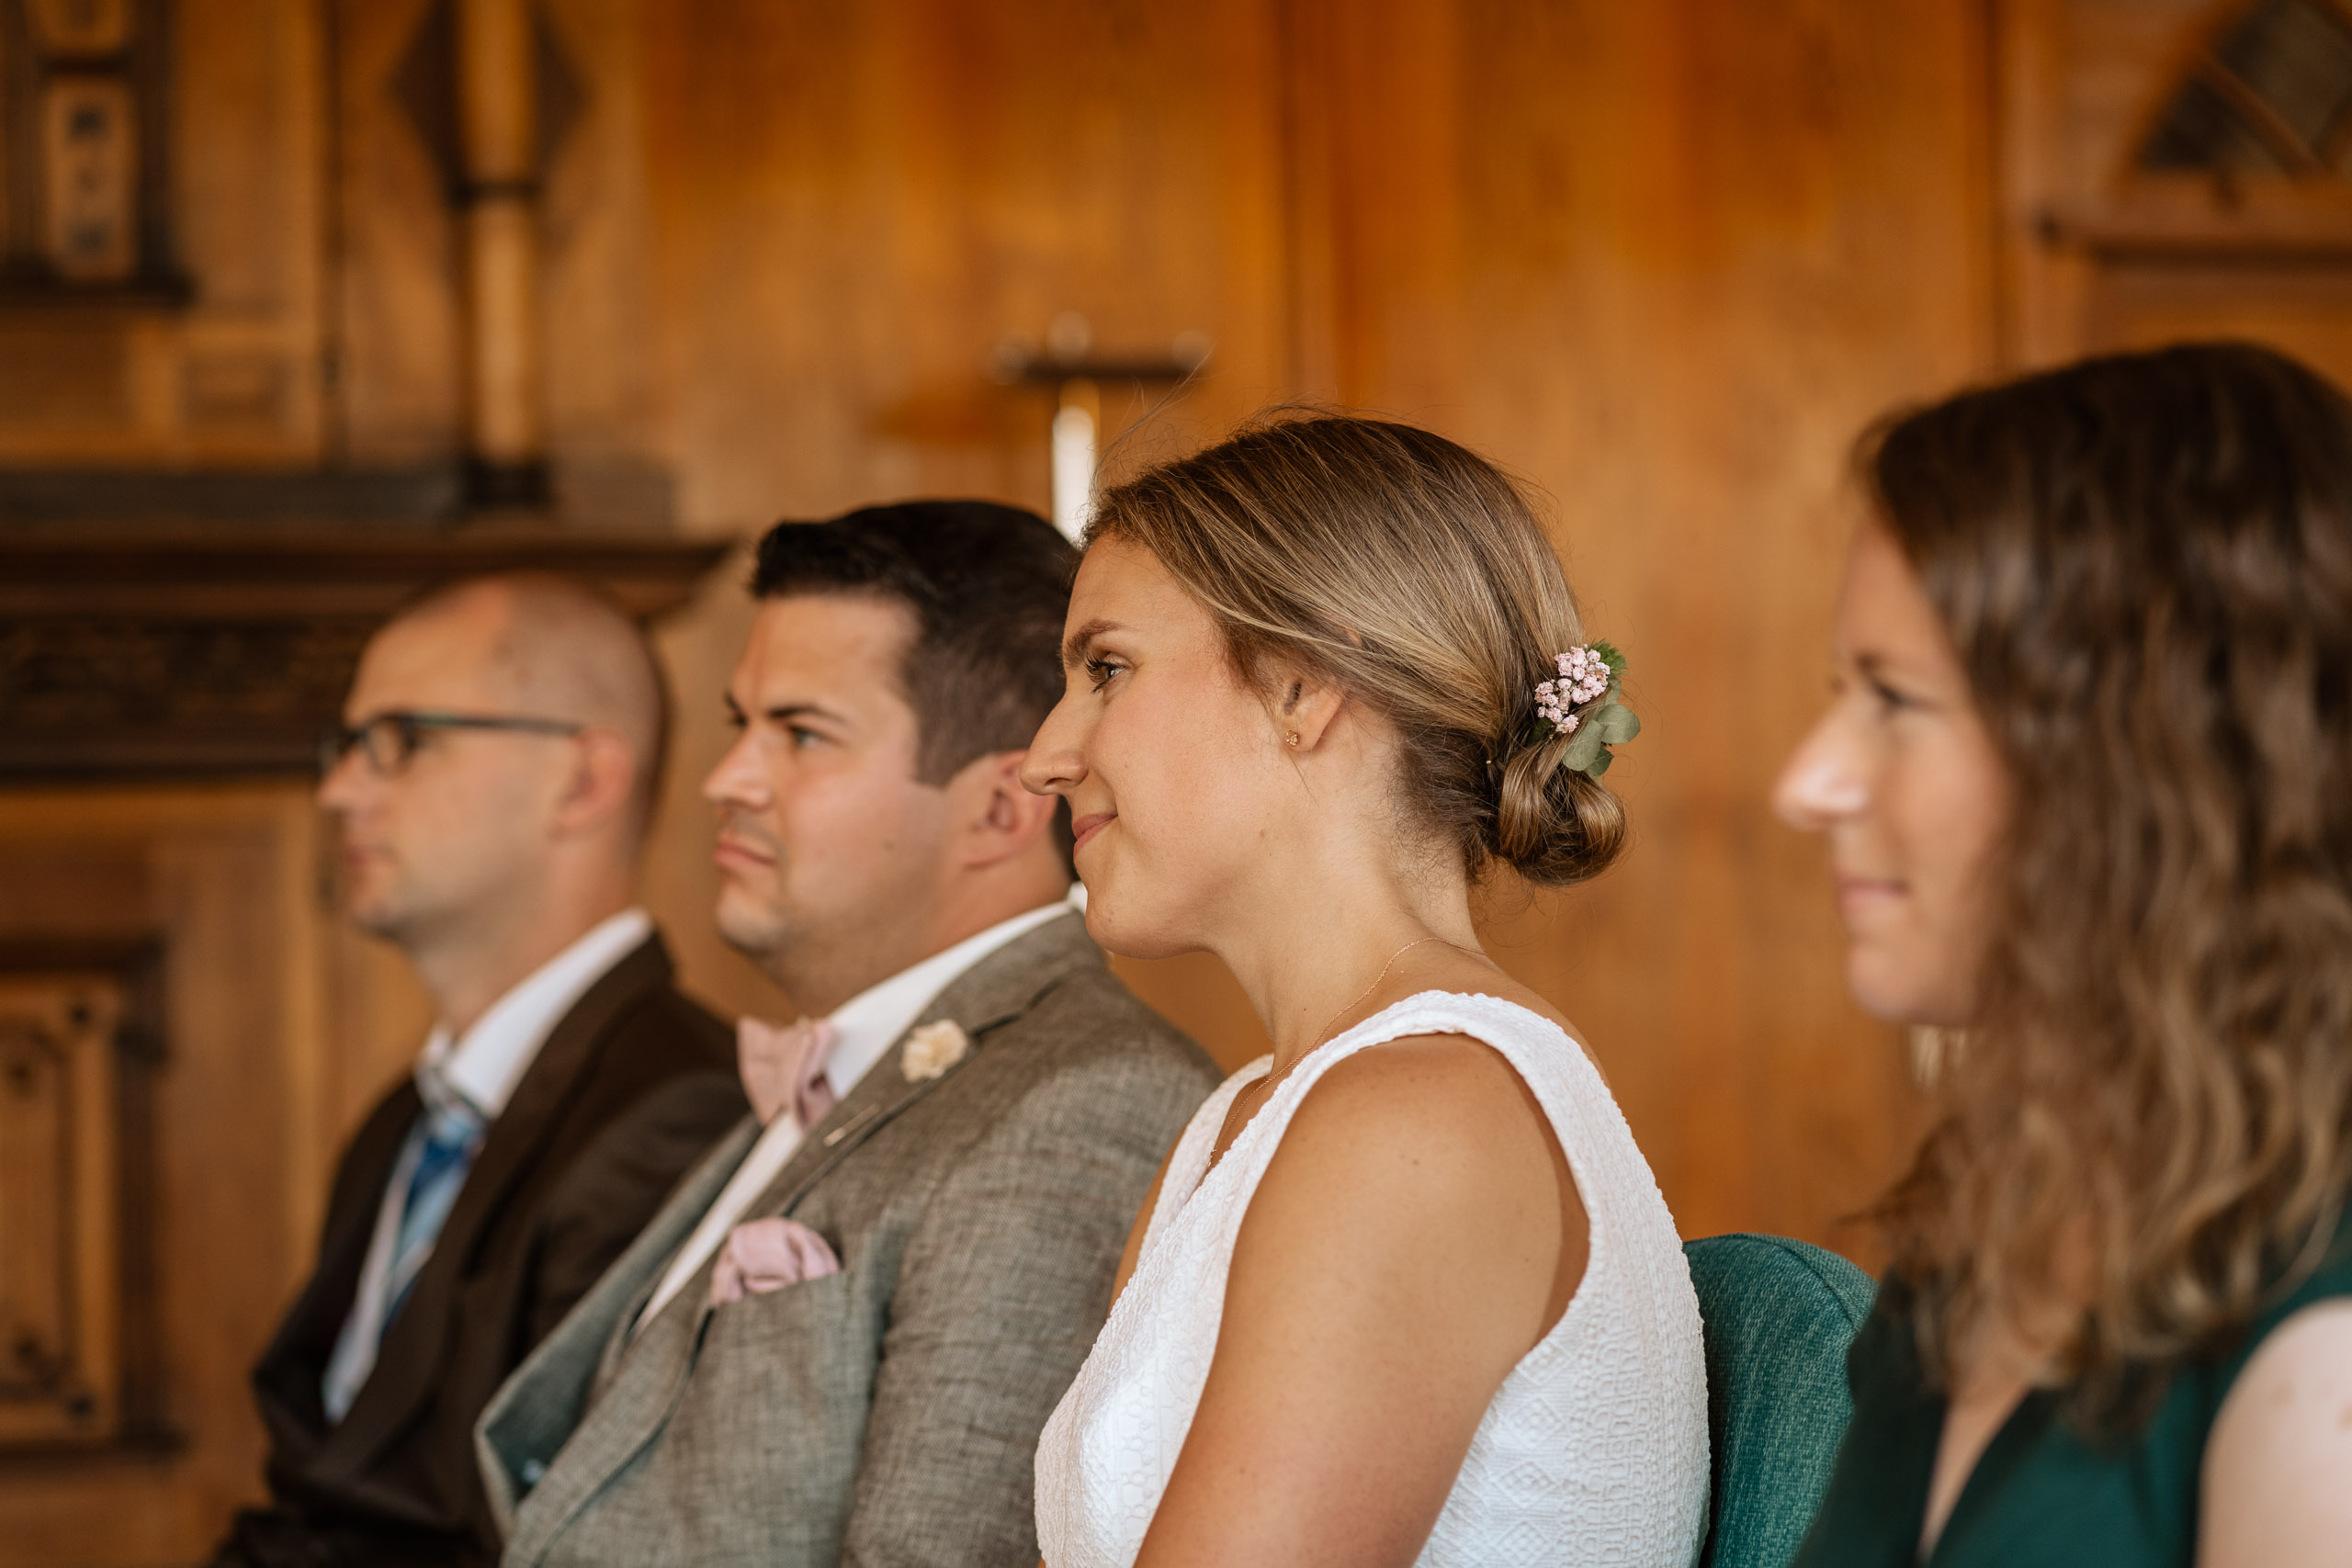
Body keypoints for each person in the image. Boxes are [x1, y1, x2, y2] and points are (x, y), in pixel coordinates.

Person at [475, 500, 1219, 1568]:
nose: (725, 781)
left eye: (802, 734)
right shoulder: (836, 1069)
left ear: (1002, 810)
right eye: (742, 726)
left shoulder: (1079, 1102)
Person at [1025, 415, 1709, 1567]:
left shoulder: (1417, 1119)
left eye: (1107, 669)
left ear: (1301, 686)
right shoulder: (1247, 1118)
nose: (1047, 751)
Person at [1776, 343, 2352, 1567]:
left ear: (2137, 760)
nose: (1807, 781)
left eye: (1894, 699)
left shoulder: (2325, 1364)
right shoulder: (1992, 1224)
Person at [215, 574, 748, 1568]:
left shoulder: (681, 1112)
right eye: (347, 747)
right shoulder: (396, 1129)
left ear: (582, 781)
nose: (338, 789)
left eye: (404, 739)